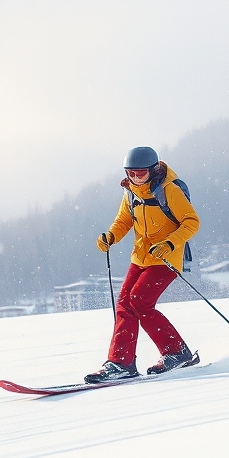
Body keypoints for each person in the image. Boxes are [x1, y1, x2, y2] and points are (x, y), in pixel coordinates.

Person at [85, 146, 201, 383]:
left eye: (140, 173)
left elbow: (191, 222)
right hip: (140, 257)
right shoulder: (130, 192)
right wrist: (111, 236)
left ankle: (176, 352)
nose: (135, 178)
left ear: (154, 169)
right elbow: (123, 221)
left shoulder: (170, 190)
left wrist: (170, 243)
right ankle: (121, 363)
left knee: (140, 301)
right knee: (125, 303)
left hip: (167, 258)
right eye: (131, 173)